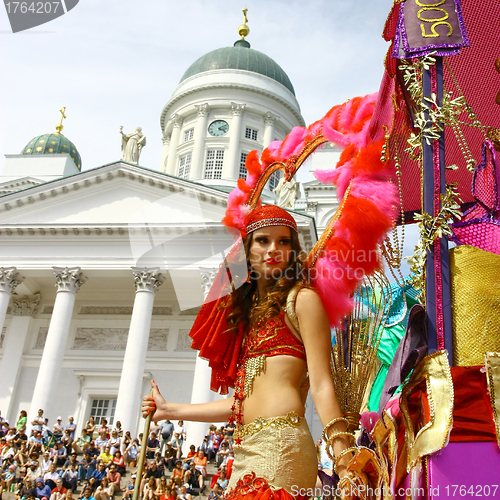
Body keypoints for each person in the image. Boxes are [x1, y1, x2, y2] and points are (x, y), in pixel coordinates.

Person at [142, 205, 352, 499]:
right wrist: (171, 410)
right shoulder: (249, 320)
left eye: (284, 241)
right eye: (263, 240)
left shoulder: (302, 301)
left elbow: (321, 385)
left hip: (282, 446)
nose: (273, 249)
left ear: (293, 250)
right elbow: (241, 404)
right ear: (246, 250)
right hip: (244, 452)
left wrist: (344, 462)